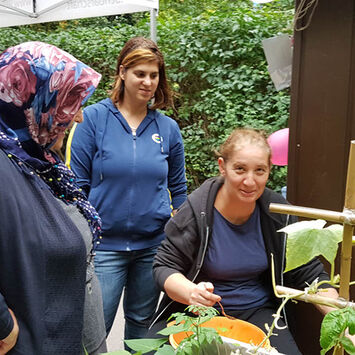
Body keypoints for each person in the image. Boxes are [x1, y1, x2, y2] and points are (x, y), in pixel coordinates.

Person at [151, 128, 339, 355]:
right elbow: (163, 266)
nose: (250, 181)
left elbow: (310, 273)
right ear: (222, 166)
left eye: (259, 170)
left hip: (257, 312)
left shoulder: (278, 213)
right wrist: (190, 291)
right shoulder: (196, 210)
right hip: (198, 312)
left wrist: (343, 318)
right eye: (240, 169)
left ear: (269, 170)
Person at [66, 36, 187, 341]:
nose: (147, 82)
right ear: (122, 72)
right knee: (93, 330)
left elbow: (179, 189)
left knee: (143, 329)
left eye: (154, 75)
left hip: (153, 248)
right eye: (140, 74)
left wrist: (178, 235)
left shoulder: (168, 129)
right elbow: (75, 188)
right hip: (104, 248)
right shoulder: (91, 120)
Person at [0, 41, 106, 354]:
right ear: (33, 96)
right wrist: (4, 326)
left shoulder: (40, 158)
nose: (79, 118)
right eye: (69, 100)